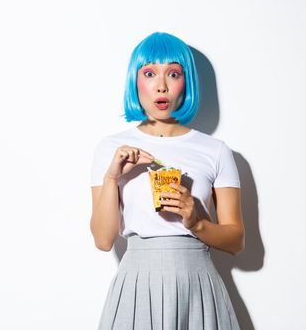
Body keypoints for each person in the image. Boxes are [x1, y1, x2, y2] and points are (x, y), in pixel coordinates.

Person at [90, 32, 244, 329]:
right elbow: (102, 239)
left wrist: (197, 222)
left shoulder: (216, 151)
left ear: (187, 82)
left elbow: (236, 240)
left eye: (173, 74)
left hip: (197, 281)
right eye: (149, 73)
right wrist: (112, 178)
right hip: (137, 281)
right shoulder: (111, 149)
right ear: (135, 82)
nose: (161, 86)